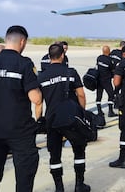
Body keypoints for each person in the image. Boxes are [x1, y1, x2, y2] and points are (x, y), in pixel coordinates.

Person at [0, 25, 43, 192]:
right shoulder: (24, 64)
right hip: (20, 132)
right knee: (24, 177)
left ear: (6, 40)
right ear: (22, 41)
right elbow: (36, 98)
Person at [37, 43, 91, 192]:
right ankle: (79, 184)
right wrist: (82, 112)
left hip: (52, 119)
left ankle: (59, 188)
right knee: (79, 151)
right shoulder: (71, 72)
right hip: (71, 119)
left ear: (49, 57)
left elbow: (38, 102)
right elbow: (81, 94)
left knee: (54, 156)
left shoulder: (41, 76)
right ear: (62, 56)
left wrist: (40, 119)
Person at [96, 45, 117, 117]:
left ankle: (99, 110)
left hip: (98, 79)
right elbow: (113, 69)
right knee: (111, 95)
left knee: (99, 95)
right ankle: (110, 111)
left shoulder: (99, 58)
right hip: (106, 80)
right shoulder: (110, 60)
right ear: (109, 51)